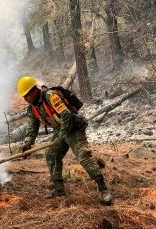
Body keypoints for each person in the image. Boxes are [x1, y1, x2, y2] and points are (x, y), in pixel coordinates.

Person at [18, 76, 112, 205]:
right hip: (60, 129)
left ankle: (103, 189)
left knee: (83, 155)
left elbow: (66, 114)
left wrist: (62, 136)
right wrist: (27, 143)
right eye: (24, 96)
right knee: (51, 155)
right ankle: (59, 189)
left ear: (34, 90)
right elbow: (32, 127)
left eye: (27, 95)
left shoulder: (51, 96)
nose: (25, 98)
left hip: (73, 127)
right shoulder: (32, 107)